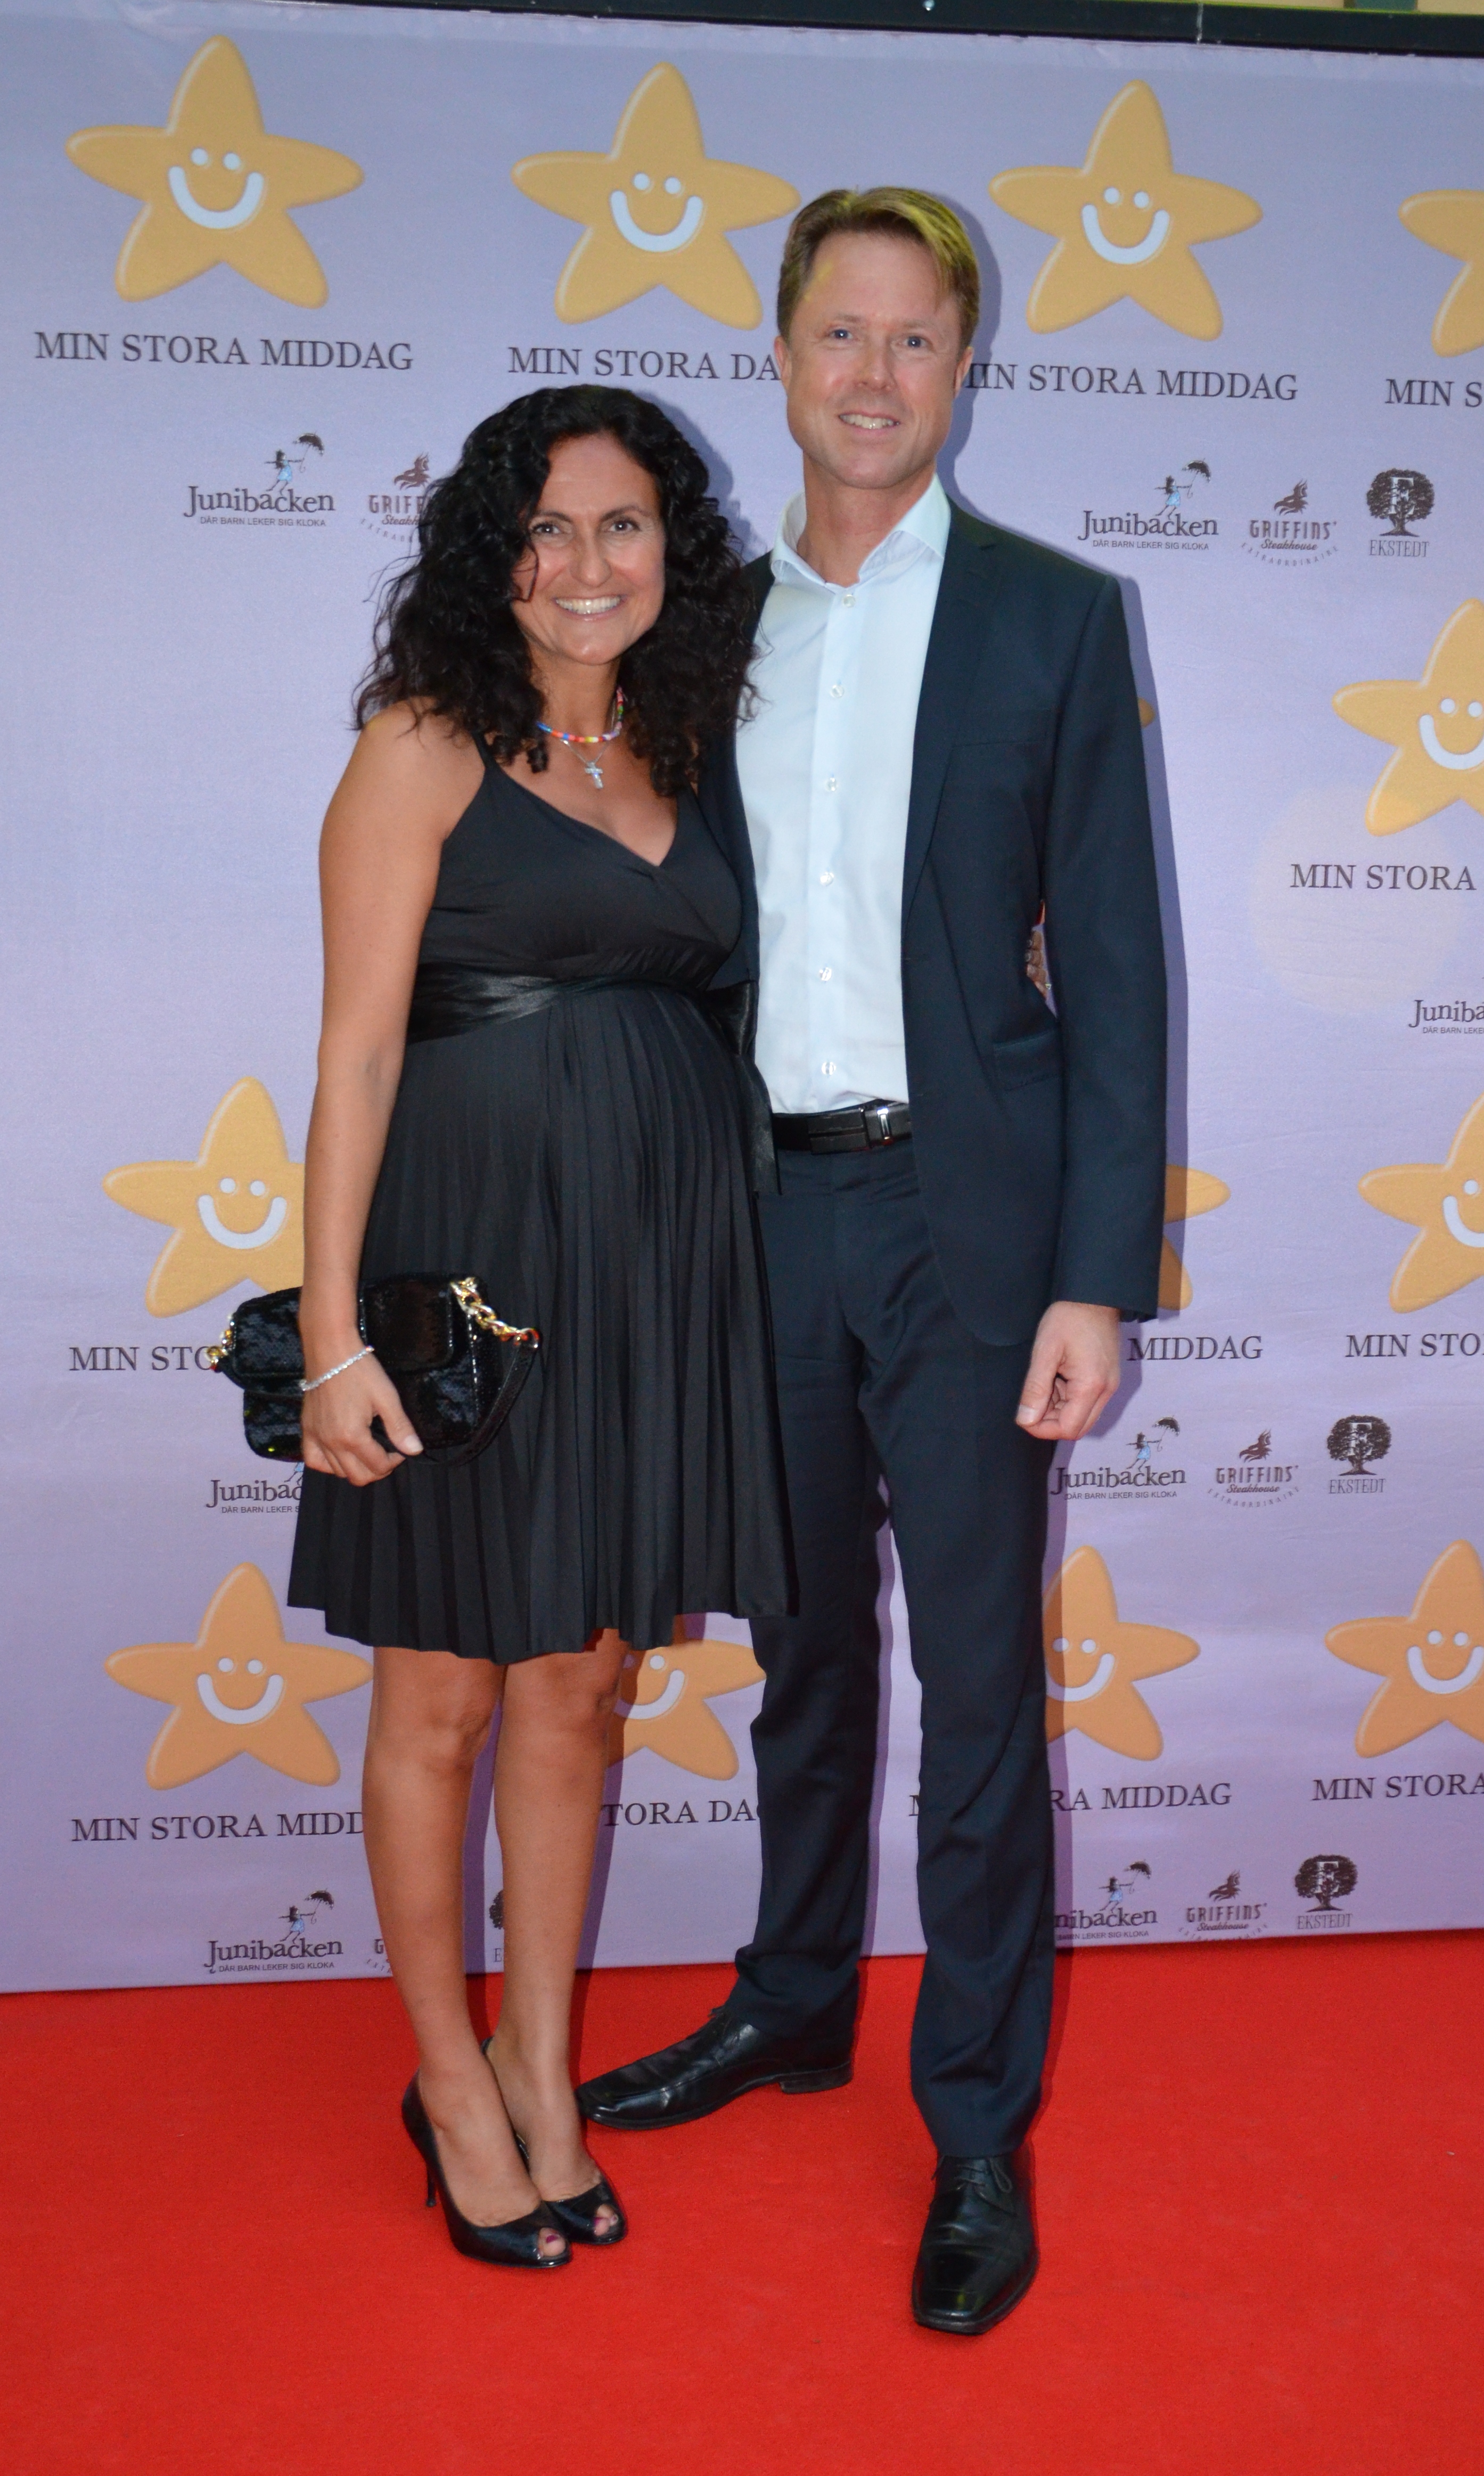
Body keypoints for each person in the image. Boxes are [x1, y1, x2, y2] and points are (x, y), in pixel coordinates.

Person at [577, 192, 1167, 2335]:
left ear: (963, 365)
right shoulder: (701, 627)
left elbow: (1117, 966)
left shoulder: (1051, 616)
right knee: (804, 1657)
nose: (875, 375)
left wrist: (1096, 1273)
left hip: (969, 1230)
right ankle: (796, 1994)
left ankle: (976, 2123)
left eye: (917, 338)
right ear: (781, 353)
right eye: (841, 332)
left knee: (982, 1694)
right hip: (757, 1214)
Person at [287, 387, 790, 2271]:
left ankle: (540, 2064)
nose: (588, 563)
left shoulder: (692, 747)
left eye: (625, 524)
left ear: (675, 550)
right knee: (440, 1689)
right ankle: (446, 2077)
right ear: (490, 557)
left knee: (580, 1680)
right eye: (548, 528)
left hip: (652, 1276)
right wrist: (332, 1337)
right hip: (467, 1273)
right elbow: (352, 1055)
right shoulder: (422, 741)